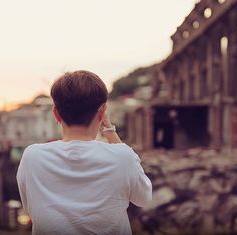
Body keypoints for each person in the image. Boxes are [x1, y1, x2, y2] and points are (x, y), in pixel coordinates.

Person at [16, 70, 152, 235]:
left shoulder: (32, 157)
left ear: (56, 114)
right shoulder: (122, 157)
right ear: (102, 113)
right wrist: (110, 130)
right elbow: (143, 198)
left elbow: (31, 208)